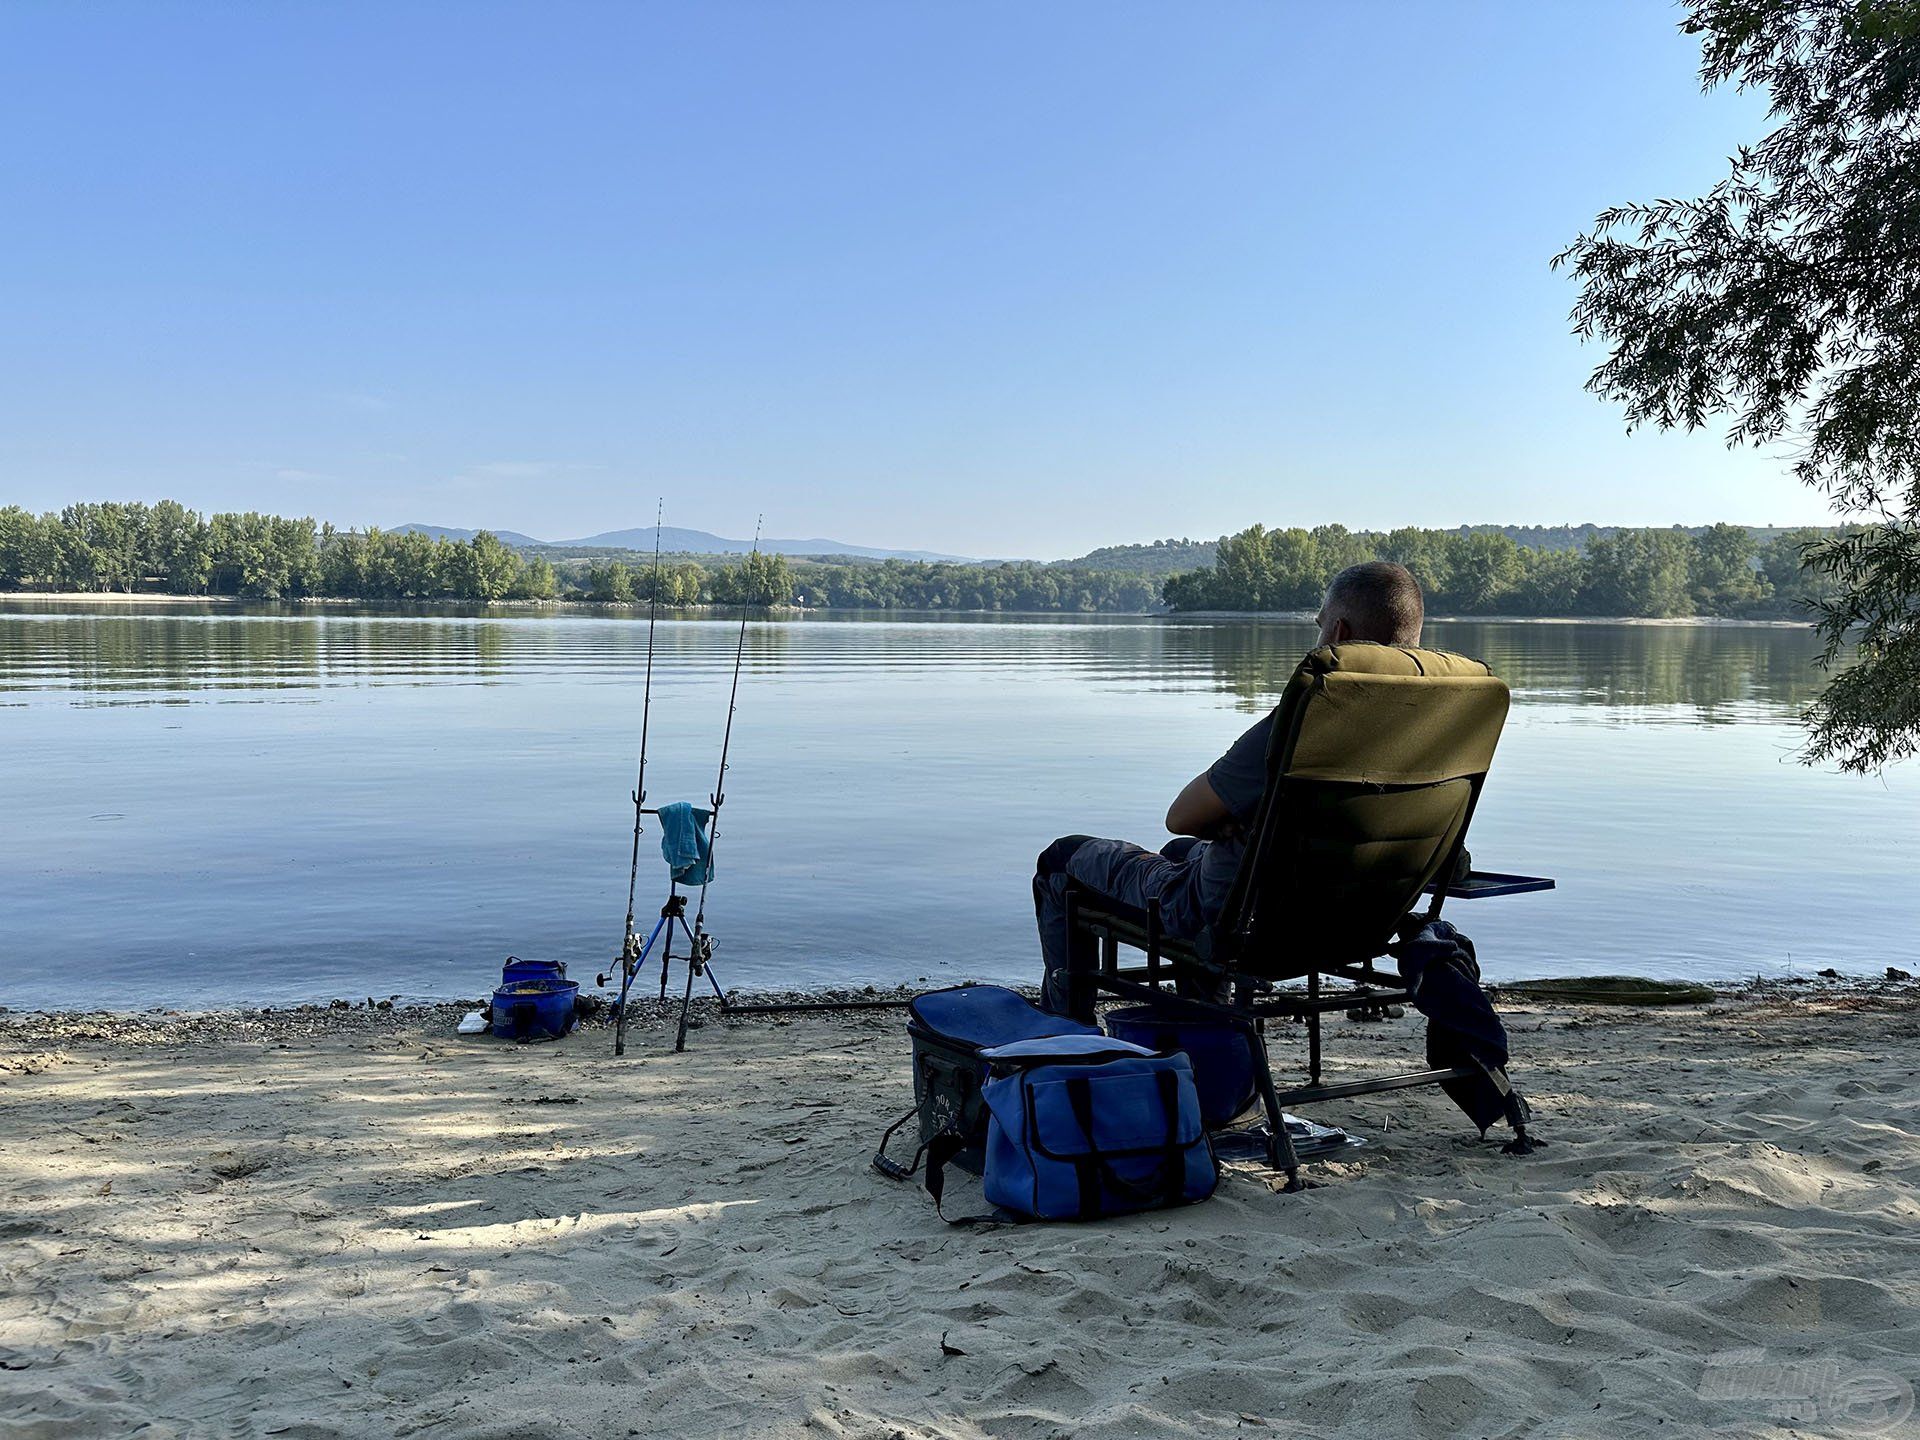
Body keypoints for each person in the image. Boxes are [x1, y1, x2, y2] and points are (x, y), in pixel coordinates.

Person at [1033, 560, 1426, 1014]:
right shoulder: (1431, 729)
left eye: (1318, 626)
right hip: (1354, 922)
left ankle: (1067, 1036)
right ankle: (1211, 1033)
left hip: (1249, 924)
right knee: (1178, 854)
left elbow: (1182, 816)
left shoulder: (1305, 722)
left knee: (1061, 860)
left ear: (1337, 632)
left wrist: (1228, 822)